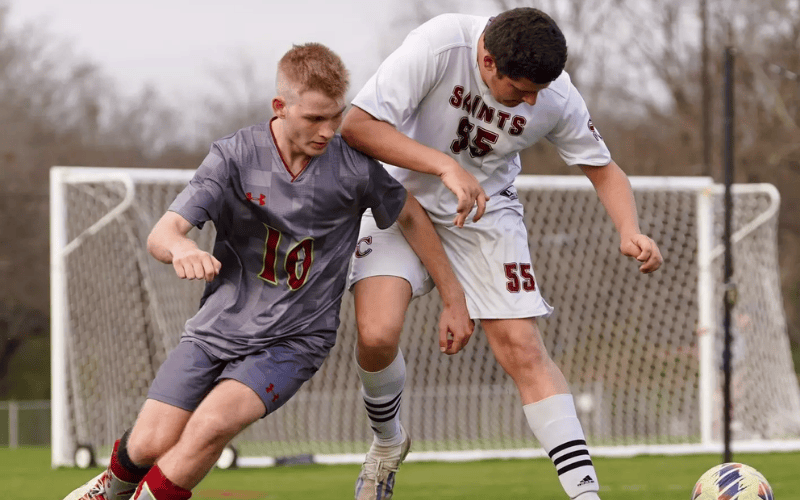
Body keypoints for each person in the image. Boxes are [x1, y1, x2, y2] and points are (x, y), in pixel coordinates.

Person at [62, 42, 472, 500]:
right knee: (149, 443)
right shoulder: (235, 156)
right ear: (280, 106)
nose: (328, 130)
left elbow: (410, 214)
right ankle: (111, 487)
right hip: (217, 328)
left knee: (211, 425)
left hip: (294, 339)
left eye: (335, 116)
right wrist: (181, 248)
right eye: (314, 118)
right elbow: (163, 233)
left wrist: (453, 298)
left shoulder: (353, 168)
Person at [341, 7, 664, 500]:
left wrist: (629, 230)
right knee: (377, 333)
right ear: (488, 61)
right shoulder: (440, 45)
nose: (532, 101)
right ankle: (387, 443)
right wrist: (444, 166)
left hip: (486, 214)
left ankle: (586, 494)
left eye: (539, 90)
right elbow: (357, 126)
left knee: (523, 347)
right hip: (398, 200)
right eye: (521, 90)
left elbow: (605, 170)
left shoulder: (555, 94)